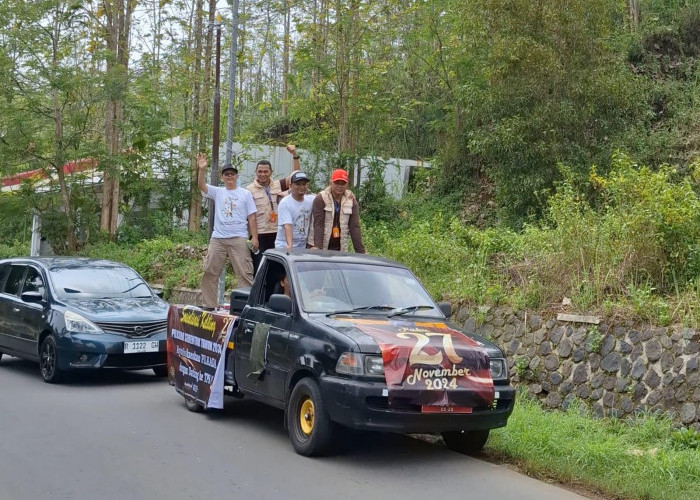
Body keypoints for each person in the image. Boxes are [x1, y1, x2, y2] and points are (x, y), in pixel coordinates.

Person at [197, 153, 258, 310]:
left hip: (239, 237)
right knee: (210, 271)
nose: (229, 176)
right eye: (226, 174)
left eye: (232, 174)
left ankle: (244, 307)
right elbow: (202, 186)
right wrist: (202, 169)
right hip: (218, 238)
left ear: (237, 176)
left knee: (245, 274)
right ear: (222, 177)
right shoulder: (218, 191)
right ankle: (209, 305)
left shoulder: (245, 194)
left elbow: (252, 217)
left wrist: (255, 238)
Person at [246, 145, 301, 270]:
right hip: (260, 234)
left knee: (277, 268)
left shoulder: (278, 185)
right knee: (259, 267)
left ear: (271, 172)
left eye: (266, 171)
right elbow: (250, 216)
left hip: (277, 233)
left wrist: (294, 155)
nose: (263, 174)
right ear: (256, 173)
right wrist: (253, 237)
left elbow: (296, 176)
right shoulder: (249, 190)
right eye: (260, 171)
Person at [308, 169, 366, 253]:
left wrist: (361, 251)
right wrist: (318, 248)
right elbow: (318, 224)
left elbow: (355, 226)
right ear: (331, 183)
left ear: (347, 185)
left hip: (340, 247)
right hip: (319, 244)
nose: (340, 186)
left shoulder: (351, 200)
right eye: (337, 183)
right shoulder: (321, 198)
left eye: (343, 183)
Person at [274, 171, 315, 251]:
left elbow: (323, 197)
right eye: (298, 184)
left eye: (304, 184)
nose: (302, 187)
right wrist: (290, 245)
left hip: (302, 247)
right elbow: (287, 225)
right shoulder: (285, 203)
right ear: (290, 186)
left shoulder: (311, 200)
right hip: (284, 246)